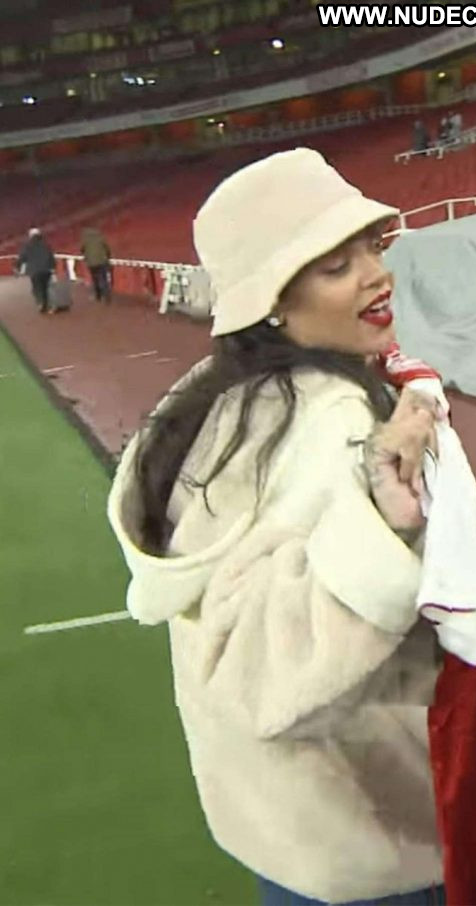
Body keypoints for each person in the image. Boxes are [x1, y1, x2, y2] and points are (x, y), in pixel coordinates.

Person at [108, 148, 447, 906]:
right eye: (336, 265)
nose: (377, 275)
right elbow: (264, 670)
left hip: (285, 828)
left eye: (373, 247)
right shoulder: (331, 423)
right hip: (367, 838)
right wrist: (383, 531)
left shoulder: (218, 402)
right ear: (273, 301)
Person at [16, 228, 55, 314]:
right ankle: (47, 305)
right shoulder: (46, 244)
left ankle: (40, 303)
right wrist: (52, 267)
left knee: (36, 288)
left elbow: (22, 257)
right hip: (46, 269)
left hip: (34, 271)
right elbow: (51, 256)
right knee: (46, 288)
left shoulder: (27, 246)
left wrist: (17, 267)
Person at [80, 227, 112, 302]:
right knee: (104, 278)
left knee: (95, 279)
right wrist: (107, 257)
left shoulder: (85, 240)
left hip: (92, 263)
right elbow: (107, 249)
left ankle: (98, 296)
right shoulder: (101, 238)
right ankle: (107, 295)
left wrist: (86, 256)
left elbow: (82, 250)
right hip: (102, 261)